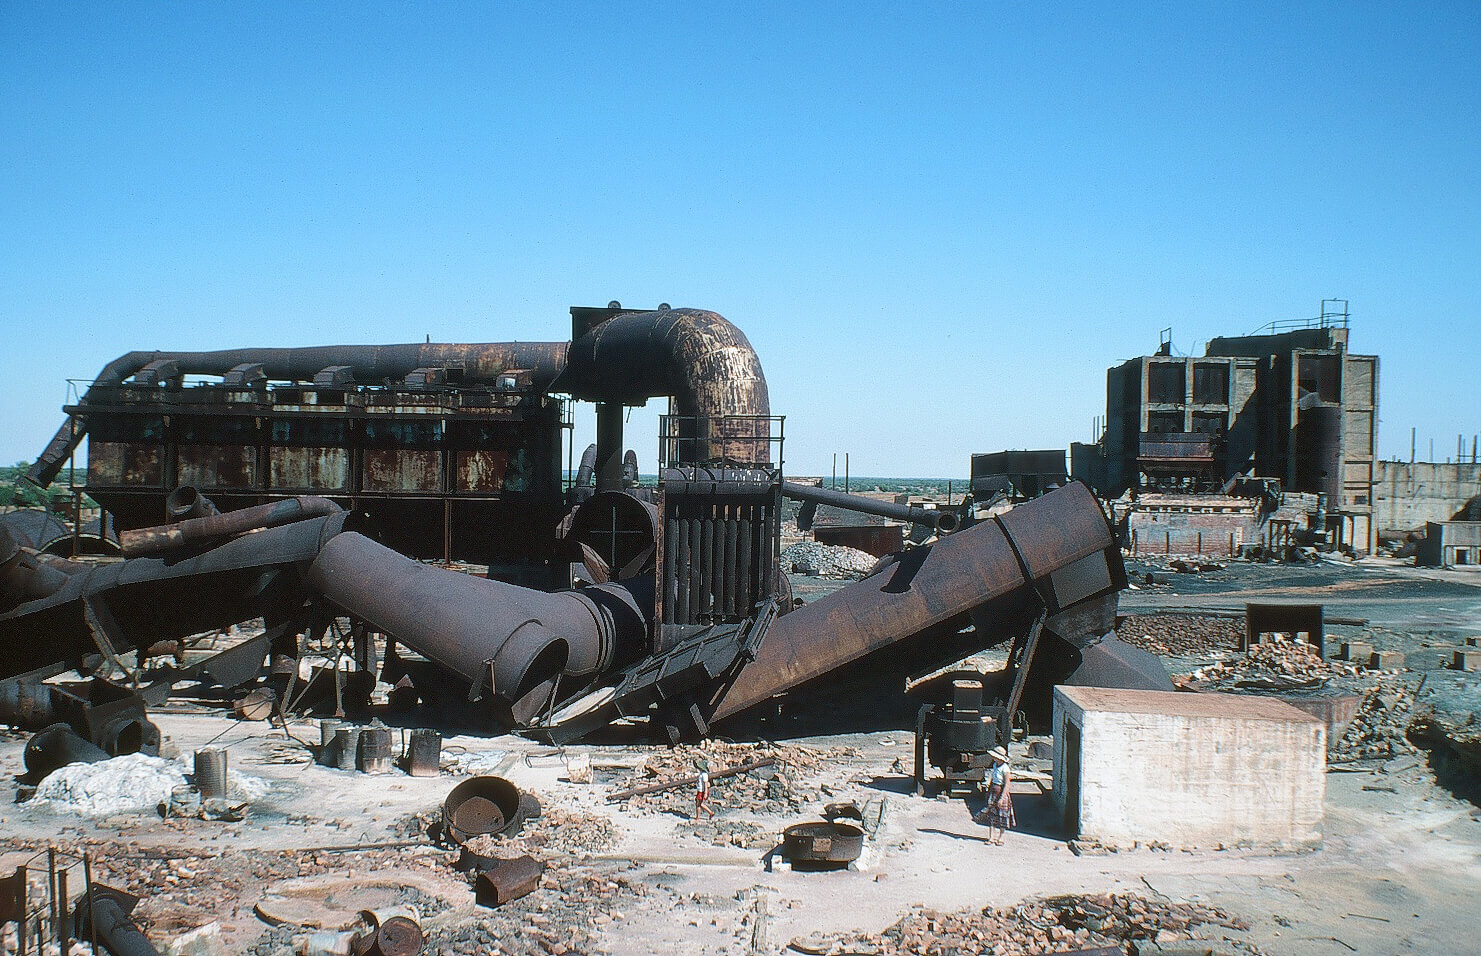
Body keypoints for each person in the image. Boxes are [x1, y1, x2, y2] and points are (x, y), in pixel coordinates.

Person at [978, 746, 1015, 845]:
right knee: (992, 815)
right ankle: (991, 837)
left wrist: (1002, 798)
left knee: (1002, 815)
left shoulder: (1005, 768)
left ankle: (1001, 837)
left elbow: (1007, 784)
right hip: (993, 791)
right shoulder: (995, 765)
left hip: (1001, 792)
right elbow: (993, 778)